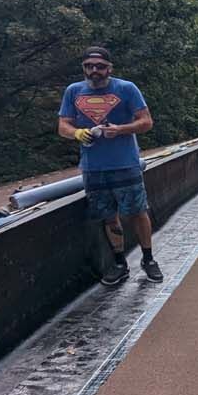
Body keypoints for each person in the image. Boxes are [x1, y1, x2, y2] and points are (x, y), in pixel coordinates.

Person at [57, 46, 162, 285]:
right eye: (89, 66)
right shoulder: (73, 91)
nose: (95, 71)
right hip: (94, 168)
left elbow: (146, 122)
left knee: (138, 211)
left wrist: (121, 130)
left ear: (109, 68)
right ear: (84, 68)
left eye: (100, 66)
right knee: (108, 216)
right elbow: (63, 125)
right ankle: (119, 263)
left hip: (125, 164)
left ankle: (148, 259)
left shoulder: (126, 89)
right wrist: (78, 133)